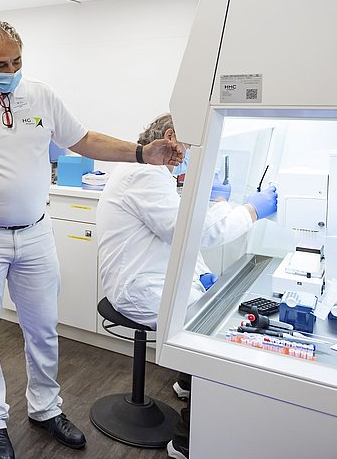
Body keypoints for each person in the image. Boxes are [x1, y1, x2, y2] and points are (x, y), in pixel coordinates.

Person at [0, 21, 183, 459]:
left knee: (43, 329)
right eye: (1, 63)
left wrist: (143, 152)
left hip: (36, 234)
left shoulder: (41, 96)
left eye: (18, 61)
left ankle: (45, 408)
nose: (11, 69)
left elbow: (84, 140)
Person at [95, 113, 278, 459]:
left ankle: (187, 383)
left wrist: (201, 273)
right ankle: (186, 439)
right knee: (212, 329)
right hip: (137, 291)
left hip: (146, 277)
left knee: (211, 302)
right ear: (170, 138)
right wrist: (251, 211)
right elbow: (190, 234)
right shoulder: (146, 175)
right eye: (194, 149)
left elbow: (170, 235)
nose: (194, 159)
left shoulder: (151, 175)